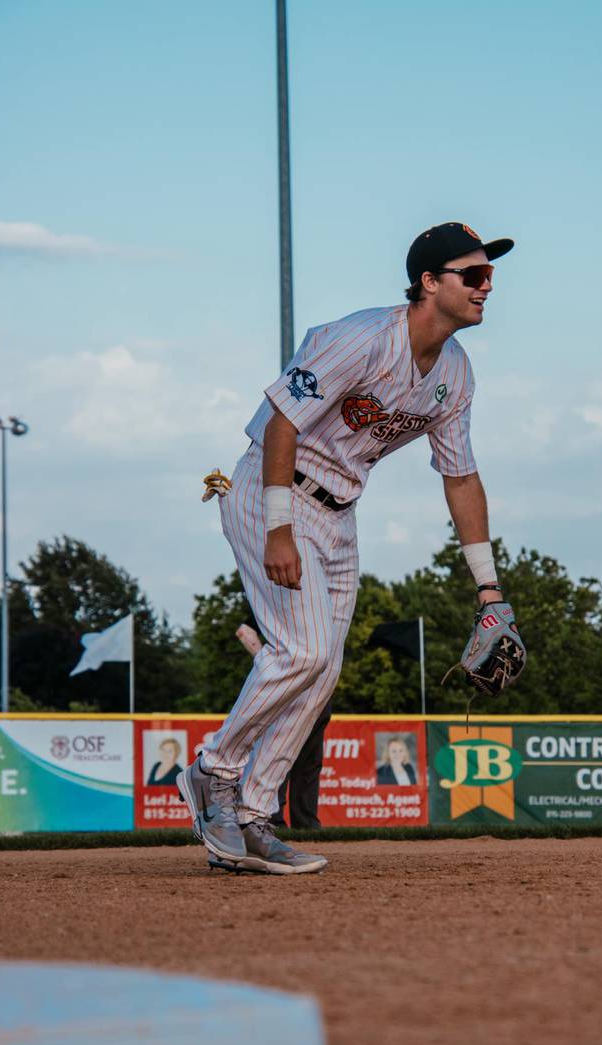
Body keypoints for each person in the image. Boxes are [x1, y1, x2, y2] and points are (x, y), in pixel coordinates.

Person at [178, 220, 517, 875]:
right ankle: (211, 774)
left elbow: (461, 476)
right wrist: (279, 526)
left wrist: (489, 588)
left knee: (324, 667)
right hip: (274, 489)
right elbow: (282, 421)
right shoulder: (361, 338)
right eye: (472, 274)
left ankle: (251, 815)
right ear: (428, 281)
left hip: (339, 513)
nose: (486, 287)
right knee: (300, 649)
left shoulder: (456, 373)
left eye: (491, 275)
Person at [236, 623, 329, 829]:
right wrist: (267, 665)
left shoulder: (320, 605)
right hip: (287, 684)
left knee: (310, 760)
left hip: (318, 689)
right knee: (278, 752)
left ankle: (306, 824)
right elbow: (243, 629)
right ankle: (272, 819)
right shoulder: (279, 600)